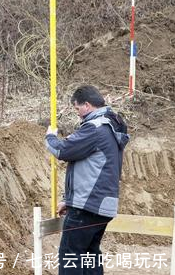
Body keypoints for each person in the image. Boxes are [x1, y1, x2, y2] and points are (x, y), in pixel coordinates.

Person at [45, 85, 129, 274]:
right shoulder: (111, 127)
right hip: (101, 205)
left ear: (87, 105)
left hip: (87, 206)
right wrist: (69, 201)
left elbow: (63, 150)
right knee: (90, 256)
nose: (77, 114)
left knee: (70, 256)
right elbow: (92, 169)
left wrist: (50, 137)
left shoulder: (95, 128)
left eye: (77, 109)